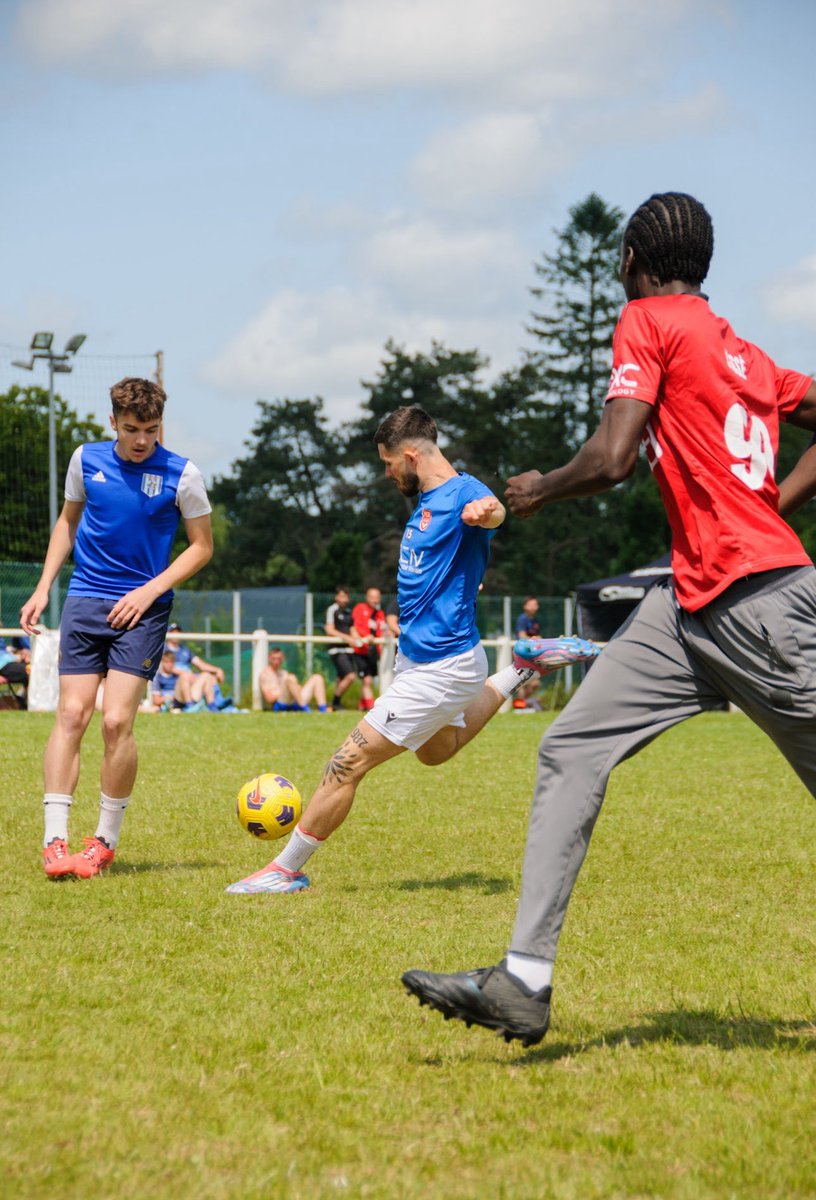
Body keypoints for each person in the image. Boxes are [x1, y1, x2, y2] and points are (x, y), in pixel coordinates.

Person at [401, 191, 816, 1048]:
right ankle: (524, 981)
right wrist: (773, 499)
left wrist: (540, 489)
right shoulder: (744, 351)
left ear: (633, 256)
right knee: (572, 744)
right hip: (690, 603)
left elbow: (614, 457)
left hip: (761, 604)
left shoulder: (651, 321)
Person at [227, 404, 598, 893]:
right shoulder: (424, 501)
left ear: (408, 455)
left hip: (442, 667)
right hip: (421, 661)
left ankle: (285, 870)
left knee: (346, 763)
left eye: (387, 464)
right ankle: (521, 668)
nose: (387, 474)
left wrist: (490, 514)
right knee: (436, 752)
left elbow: (494, 513)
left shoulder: (466, 493)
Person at [21, 376, 214, 880]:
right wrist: (44, 587)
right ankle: (54, 841)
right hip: (85, 601)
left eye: (151, 429)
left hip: (143, 610)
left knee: (114, 722)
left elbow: (201, 547)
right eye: (131, 429)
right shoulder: (86, 460)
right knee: (70, 715)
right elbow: (67, 523)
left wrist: (149, 591)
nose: (141, 440)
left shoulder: (182, 474)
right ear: (113, 422)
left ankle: (103, 841)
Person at [259, 646, 329, 712]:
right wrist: (281, 691)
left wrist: (295, 688)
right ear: (269, 658)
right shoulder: (265, 674)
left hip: (294, 701)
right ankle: (306, 709)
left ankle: (323, 709)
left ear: (282, 658)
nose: (276, 662)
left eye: (279, 659)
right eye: (274, 659)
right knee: (291, 677)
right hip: (280, 704)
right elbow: (269, 699)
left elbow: (297, 688)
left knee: (317, 678)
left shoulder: (283, 673)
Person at [351, 586, 386, 711]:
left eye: (377, 597)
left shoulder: (380, 614)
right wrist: (365, 636)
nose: (375, 600)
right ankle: (372, 707)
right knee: (366, 680)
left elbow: (382, 630)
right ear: (367, 598)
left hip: (373, 652)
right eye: (372, 597)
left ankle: (362, 705)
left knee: (369, 679)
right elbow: (355, 626)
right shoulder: (360, 608)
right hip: (361, 651)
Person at [324, 587, 358, 710]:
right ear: (336, 597)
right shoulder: (332, 610)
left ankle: (333, 706)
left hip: (348, 650)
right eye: (342, 596)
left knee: (341, 678)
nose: (344, 599)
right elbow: (329, 630)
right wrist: (347, 638)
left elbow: (353, 630)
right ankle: (335, 702)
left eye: (346, 596)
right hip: (337, 650)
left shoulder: (349, 612)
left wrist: (358, 639)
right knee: (350, 676)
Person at [513, 596, 542, 710]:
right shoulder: (522, 619)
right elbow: (522, 636)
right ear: (525, 606)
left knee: (534, 683)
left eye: (536, 604)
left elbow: (538, 636)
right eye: (532, 604)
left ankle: (522, 704)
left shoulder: (535, 620)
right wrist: (534, 639)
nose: (535, 606)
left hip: (532, 655)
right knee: (523, 683)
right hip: (523, 655)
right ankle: (520, 707)